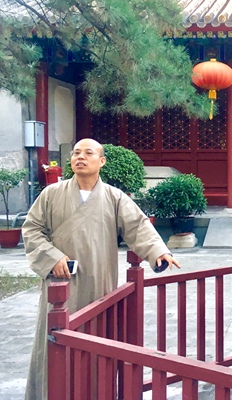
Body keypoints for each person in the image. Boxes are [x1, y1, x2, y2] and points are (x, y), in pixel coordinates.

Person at [22, 138, 180, 400]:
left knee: (95, 341)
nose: (80, 157)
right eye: (76, 153)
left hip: (98, 283)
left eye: (88, 153)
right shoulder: (51, 194)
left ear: (102, 161)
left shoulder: (113, 197)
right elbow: (32, 230)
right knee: (55, 341)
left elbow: (137, 226)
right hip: (60, 284)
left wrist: (158, 251)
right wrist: (52, 258)